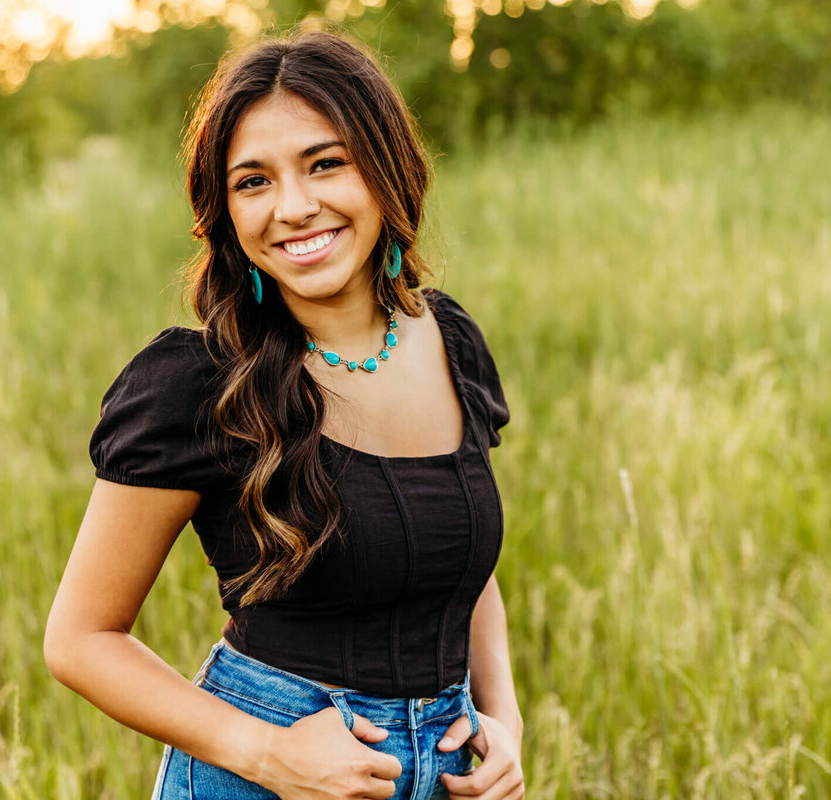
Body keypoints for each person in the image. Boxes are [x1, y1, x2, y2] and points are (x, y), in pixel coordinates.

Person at [44, 29, 525, 800]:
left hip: (447, 773)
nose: (294, 208)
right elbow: (80, 640)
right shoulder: (198, 383)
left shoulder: (452, 342)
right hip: (265, 775)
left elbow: (460, 562)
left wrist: (502, 716)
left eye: (325, 164)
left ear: (387, 167)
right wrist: (266, 754)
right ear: (224, 211)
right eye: (252, 182)